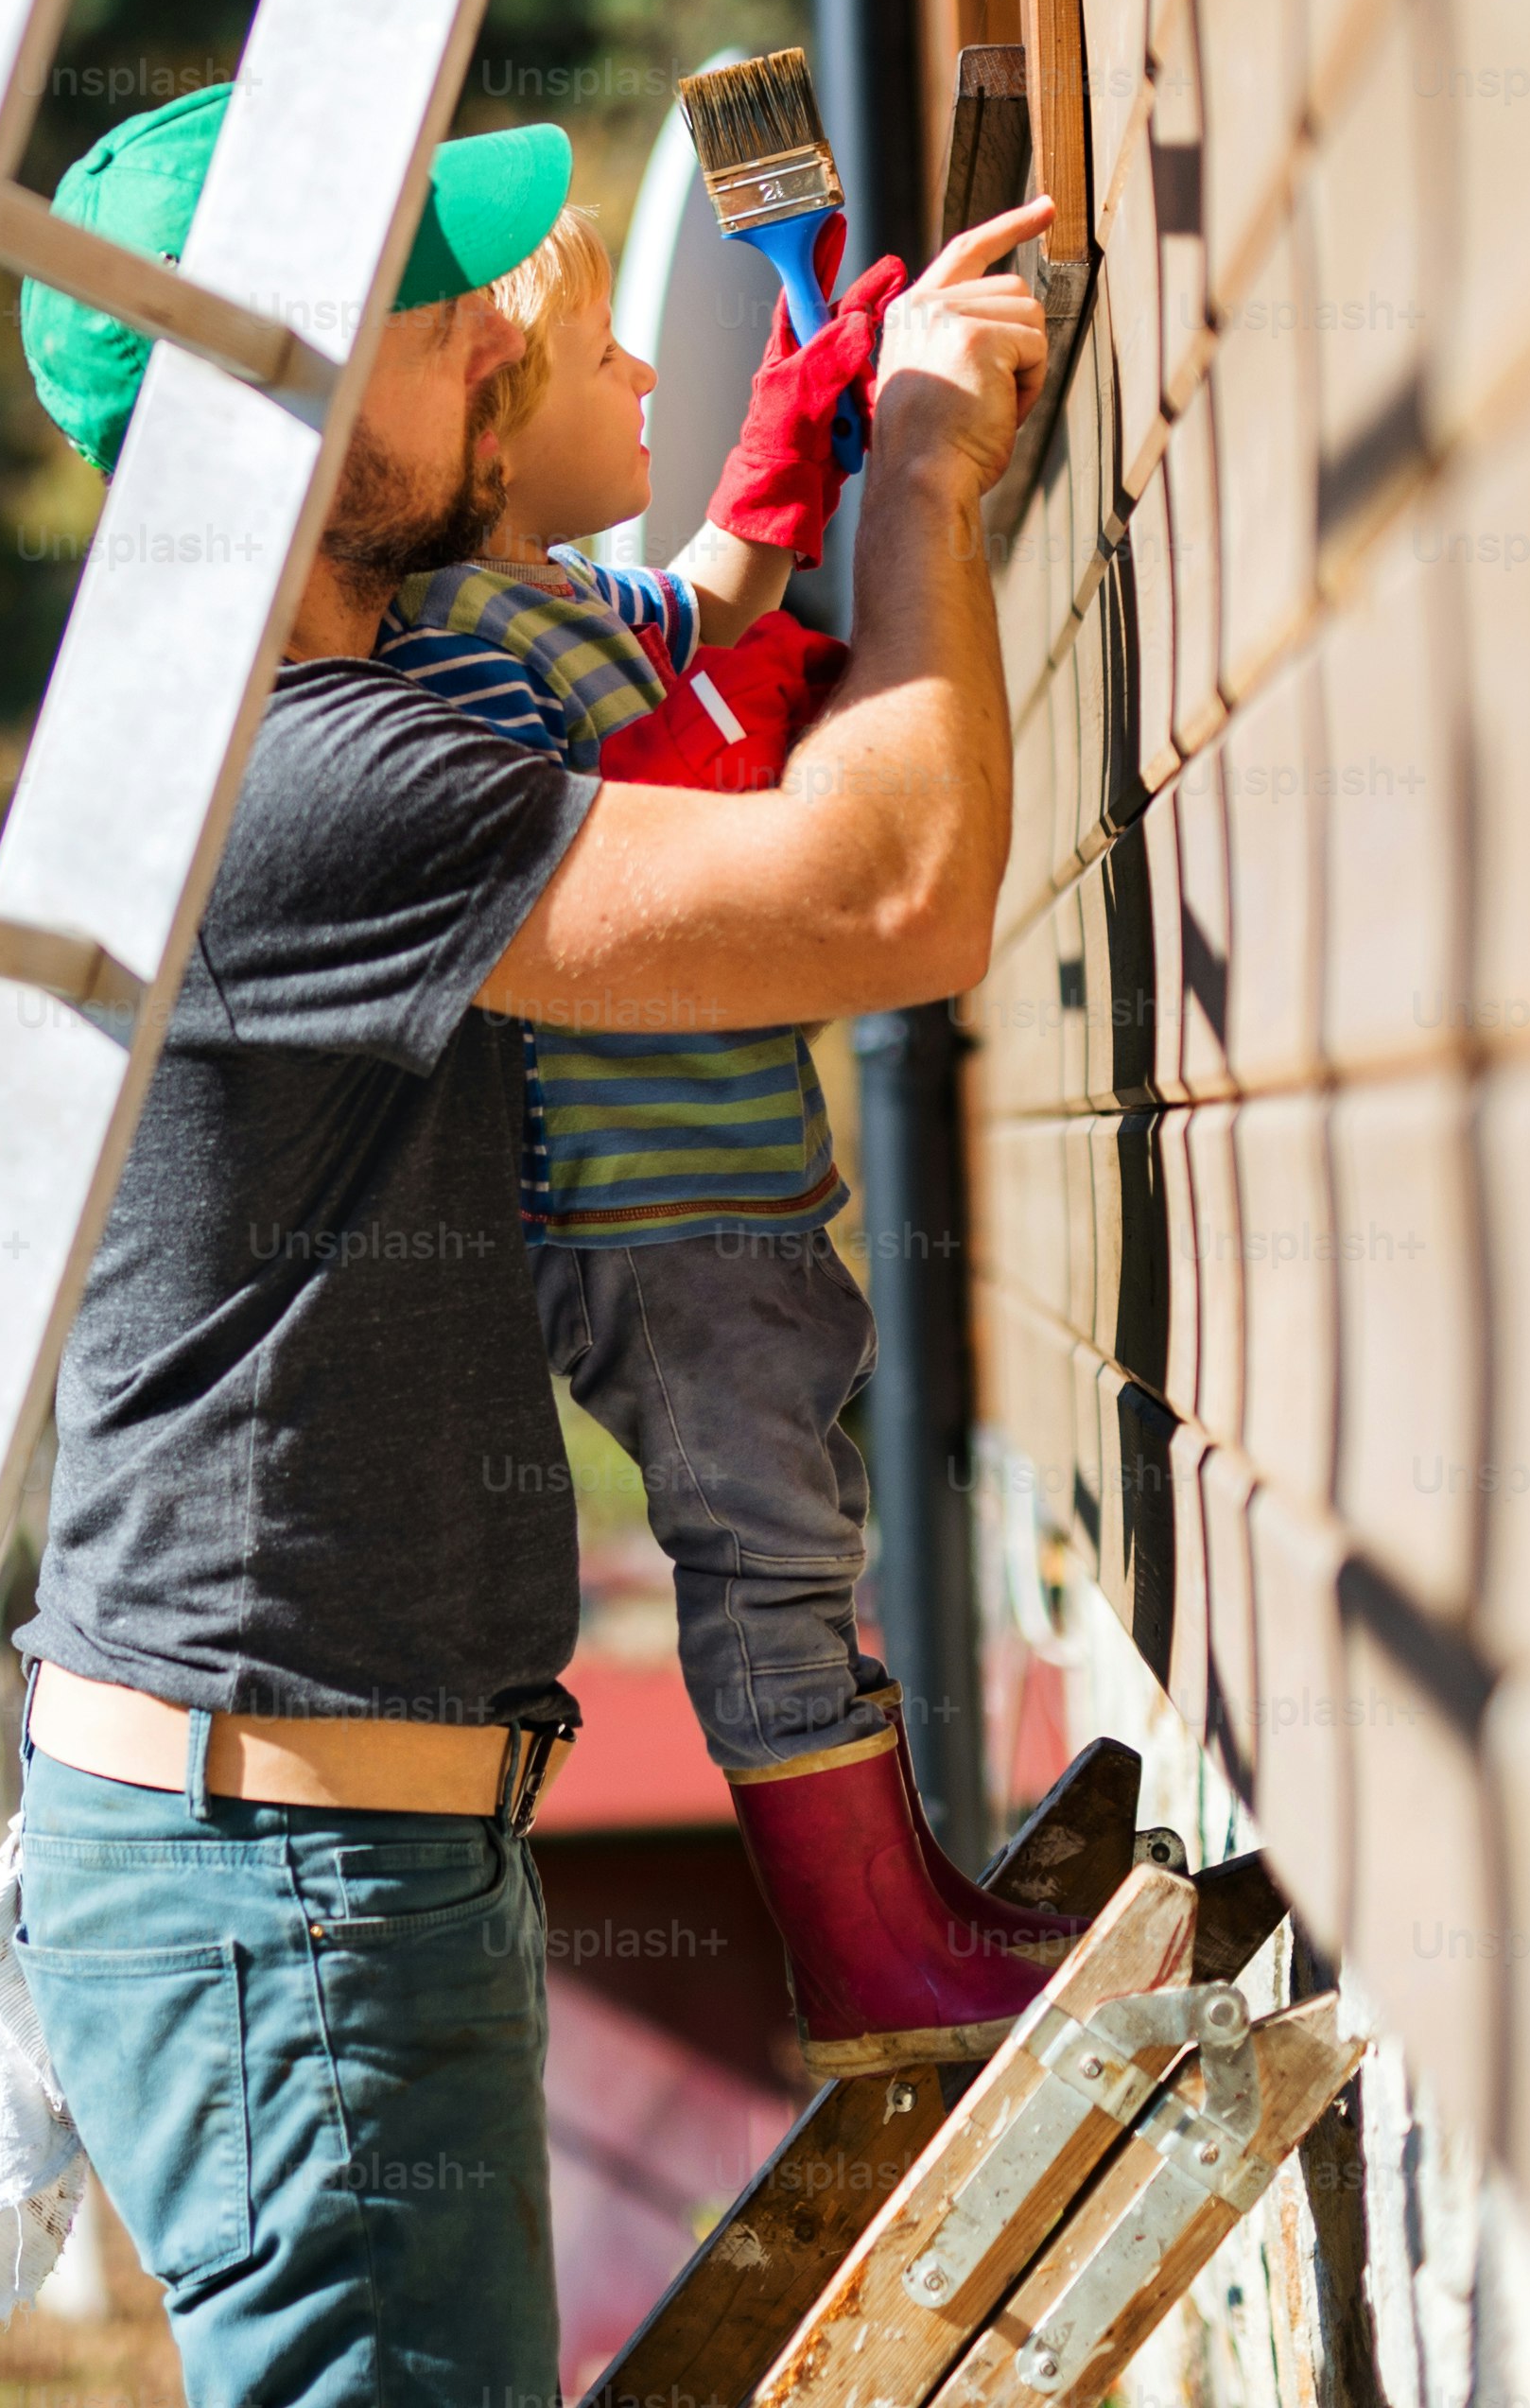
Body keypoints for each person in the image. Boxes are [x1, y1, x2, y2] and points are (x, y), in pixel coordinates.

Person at [0, 79, 1051, 2401]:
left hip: (318, 1847)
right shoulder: (297, 776)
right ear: (257, 413)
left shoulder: (327, 711)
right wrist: (934, 484)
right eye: (428, 309)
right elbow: (886, 897)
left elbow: (671, 645)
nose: (501, 333)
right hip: (282, 1881)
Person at [372, 205, 1088, 2083]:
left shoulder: (570, 600)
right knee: (765, 1557)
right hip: (649, 1210)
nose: (639, 382)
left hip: (734, 1190)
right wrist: (768, 740)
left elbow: (715, 593)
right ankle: (868, 1954)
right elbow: (571, 829)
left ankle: (908, 1914)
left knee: (800, 1542)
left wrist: (798, 415)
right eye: (603, 361)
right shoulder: (456, 641)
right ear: (494, 434)